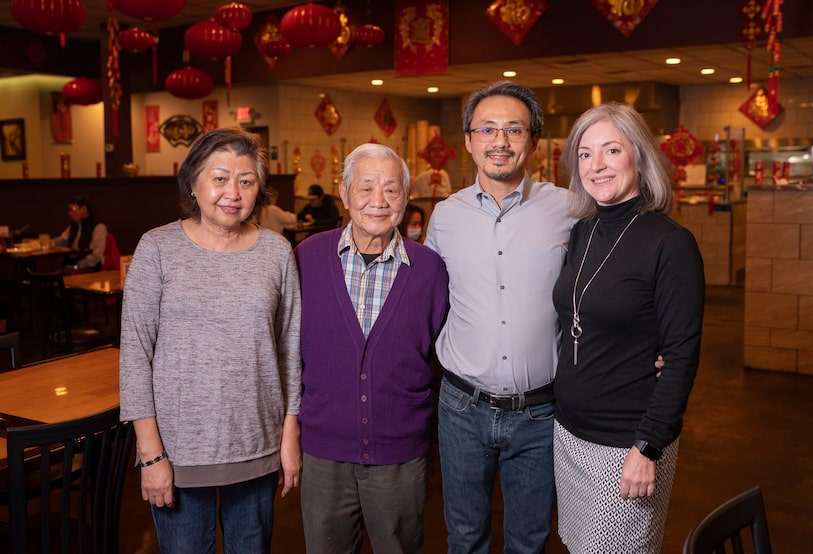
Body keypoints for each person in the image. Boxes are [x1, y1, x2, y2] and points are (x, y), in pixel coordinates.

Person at [119, 127, 302, 553]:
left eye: (246, 180)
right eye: (219, 178)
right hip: (178, 454)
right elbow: (135, 356)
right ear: (193, 183)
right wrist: (151, 456)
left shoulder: (276, 252)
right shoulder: (158, 248)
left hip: (257, 446)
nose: (232, 193)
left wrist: (289, 438)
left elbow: (289, 352)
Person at [424, 81, 573, 553]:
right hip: (461, 408)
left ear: (532, 141)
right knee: (465, 537)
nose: (500, 141)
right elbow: (424, 301)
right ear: (468, 140)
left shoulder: (568, 209)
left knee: (529, 539)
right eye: (487, 129)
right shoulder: (445, 216)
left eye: (514, 129)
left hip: (541, 411)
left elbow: (601, 290)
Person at [552, 102, 705, 553]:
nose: (595, 165)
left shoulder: (670, 244)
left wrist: (648, 446)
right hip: (569, 433)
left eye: (611, 150)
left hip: (626, 445)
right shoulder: (582, 232)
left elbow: (680, 356)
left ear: (639, 157)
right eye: (584, 154)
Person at [295, 143, 449, 553]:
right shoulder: (306, 258)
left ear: (405, 198)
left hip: (400, 452)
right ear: (344, 194)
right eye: (365, 189)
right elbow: (290, 354)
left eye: (391, 190)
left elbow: (435, 355)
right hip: (324, 451)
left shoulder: (429, 269)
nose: (378, 202)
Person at [54, 195, 107, 272]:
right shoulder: (74, 226)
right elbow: (62, 240)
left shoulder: (98, 227)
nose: (69, 213)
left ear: (84, 209)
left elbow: (96, 256)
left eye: (73, 209)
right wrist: (46, 243)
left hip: (88, 270)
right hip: (70, 266)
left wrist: (76, 267)